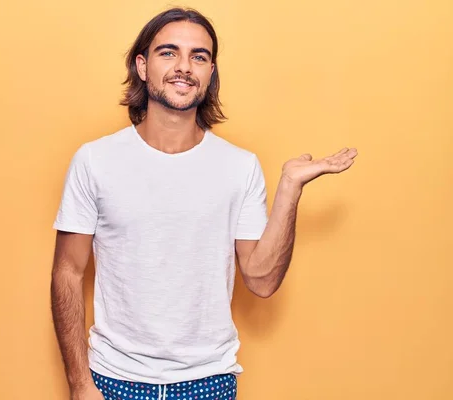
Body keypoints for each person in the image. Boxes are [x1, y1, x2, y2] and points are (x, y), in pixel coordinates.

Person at [50, 7, 357, 400]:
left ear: (210, 73)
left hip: (208, 382)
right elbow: (67, 272)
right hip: (113, 379)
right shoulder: (95, 160)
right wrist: (80, 383)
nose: (184, 67)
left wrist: (290, 189)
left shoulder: (239, 167)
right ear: (142, 66)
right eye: (168, 53)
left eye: (199, 56)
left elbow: (261, 280)